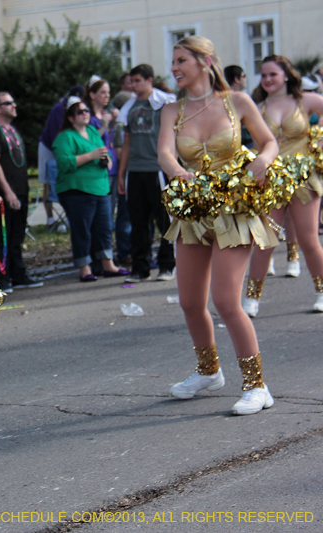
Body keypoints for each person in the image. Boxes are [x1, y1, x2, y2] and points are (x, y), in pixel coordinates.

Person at [157, 36, 279, 415]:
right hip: (194, 211)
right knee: (192, 302)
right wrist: (177, 171)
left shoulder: (236, 102)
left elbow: (269, 141)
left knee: (226, 301)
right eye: (173, 61)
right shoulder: (171, 110)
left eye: (181, 61)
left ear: (205, 61)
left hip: (235, 210)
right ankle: (209, 372)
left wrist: (263, 160)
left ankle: (257, 385)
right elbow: (164, 151)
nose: (174, 67)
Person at [241, 55, 323, 317]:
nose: (266, 80)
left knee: (309, 240)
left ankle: (321, 291)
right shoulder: (257, 106)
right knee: (265, 241)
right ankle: (252, 300)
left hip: (303, 179)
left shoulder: (305, 100)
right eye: (263, 75)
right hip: (270, 180)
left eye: (272, 74)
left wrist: (318, 141)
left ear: (286, 75)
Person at [54, 98, 130, 282]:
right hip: (77, 189)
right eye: (80, 112)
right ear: (71, 118)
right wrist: (91, 156)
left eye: (86, 110)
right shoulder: (65, 137)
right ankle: (85, 268)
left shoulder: (91, 132)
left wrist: (108, 160)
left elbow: (102, 151)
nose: (85, 113)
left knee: (104, 228)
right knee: (83, 230)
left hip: (100, 187)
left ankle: (107, 264)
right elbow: (65, 163)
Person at [118, 63, 177, 282]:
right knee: (138, 221)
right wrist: (123, 173)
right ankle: (140, 267)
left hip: (158, 169)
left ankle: (167, 265)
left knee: (165, 220)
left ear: (149, 80)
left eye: (137, 81)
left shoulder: (164, 103)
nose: (133, 86)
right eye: (131, 81)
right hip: (136, 169)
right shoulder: (130, 108)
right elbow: (127, 141)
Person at [0, 92, 43, 293]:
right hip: (3, 194)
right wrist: (7, 191)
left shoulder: (13, 131)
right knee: (3, 236)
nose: (14, 105)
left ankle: (18, 274)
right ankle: (2, 277)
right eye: (8, 103)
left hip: (21, 190)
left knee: (17, 235)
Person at [85, 77, 130, 265]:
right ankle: (100, 258)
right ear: (92, 95)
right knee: (103, 218)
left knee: (115, 214)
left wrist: (114, 122)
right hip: (98, 172)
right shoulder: (88, 116)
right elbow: (89, 142)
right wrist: (104, 124)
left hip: (113, 169)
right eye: (102, 92)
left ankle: (113, 255)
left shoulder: (107, 114)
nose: (107, 96)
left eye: (108, 93)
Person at [38, 85, 84, 228]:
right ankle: (50, 218)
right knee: (48, 182)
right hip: (48, 146)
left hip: (62, 146)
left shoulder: (73, 109)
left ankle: (70, 216)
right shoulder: (60, 109)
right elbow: (56, 135)